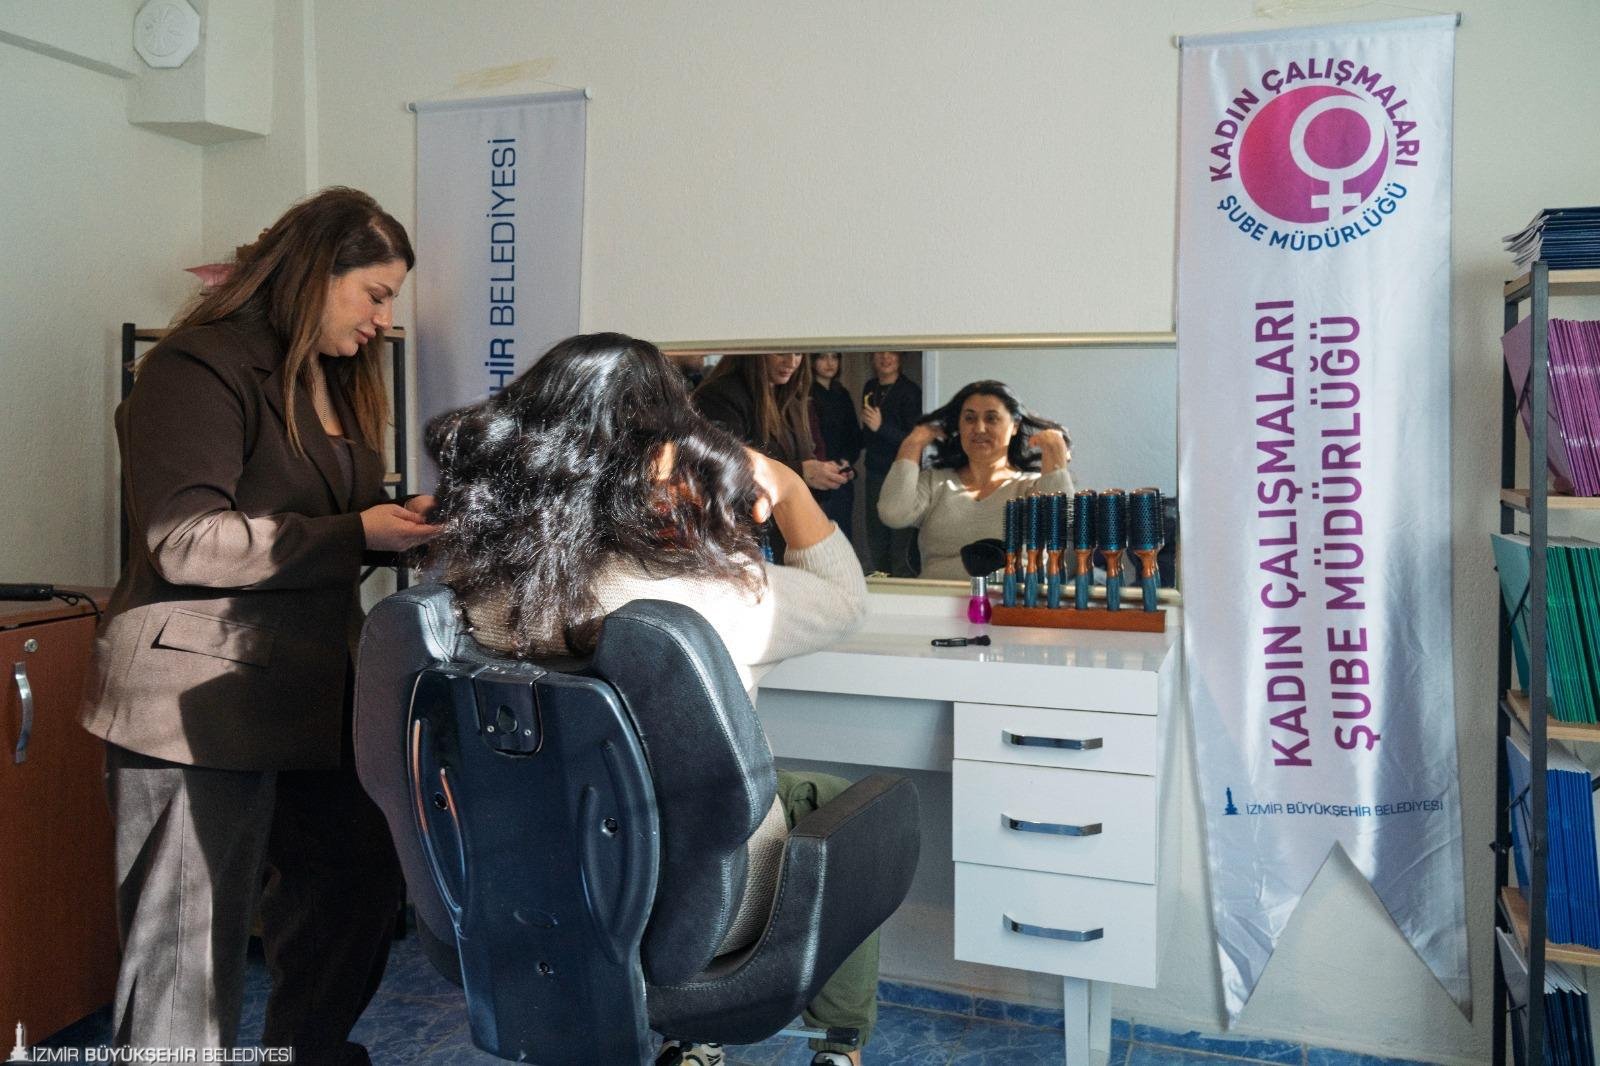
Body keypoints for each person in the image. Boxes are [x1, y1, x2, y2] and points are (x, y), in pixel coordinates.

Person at [423, 334, 877, 1066]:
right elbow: (845, 599)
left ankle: (695, 1040)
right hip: (698, 914)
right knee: (841, 802)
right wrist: (789, 486)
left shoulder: (474, 594)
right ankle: (840, 1045)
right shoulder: (709, 591)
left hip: (522, 895)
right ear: (661, 448)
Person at [79, 187, 439, 1064]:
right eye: (375, 295)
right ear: (316, 273)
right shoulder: (194, 368)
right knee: (183, 958)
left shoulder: (329, 382)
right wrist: (356, 532)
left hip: (307, 694)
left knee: (360, 880)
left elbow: (324, 525)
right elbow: (184, 540)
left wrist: (403, 527)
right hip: (192, 701)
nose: (382, 322)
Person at [877, 379, 1072, 581]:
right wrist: (912, 444)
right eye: (969, 419)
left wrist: (1056, 455)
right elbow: (893, 514)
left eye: (991, 418)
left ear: (1014, 426)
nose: (979, 428)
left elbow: (1062, 526)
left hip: (1013, 599)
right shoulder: (934, 482)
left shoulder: (1031, 487)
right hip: (937, 597)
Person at [693, 354, 850, 561]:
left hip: (784, 535)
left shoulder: (790, 397)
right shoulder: (720, 396)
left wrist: (821, 475)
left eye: (797, 353)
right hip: (744, 539)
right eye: (781, 353)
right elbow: (724, 471)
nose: (791, 362)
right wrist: (802, 472)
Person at [859, 351, 921, 576]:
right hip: (874, 472)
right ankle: (881, 581)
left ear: (900, 357)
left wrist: (881, 427)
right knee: (876, 535)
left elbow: (916, 441)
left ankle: (900, 587)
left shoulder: (910, 391)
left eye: (891, 353)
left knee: (900, 537)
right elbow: (866, 434)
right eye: (880, 353)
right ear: (872, 357)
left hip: (901, 475)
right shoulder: (870, 387)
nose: (885, 358)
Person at [808, 351, 862, 533]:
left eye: (834, 357)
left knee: (843, 531)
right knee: (820, 533)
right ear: (813, 362)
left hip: (842, 472)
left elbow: (854, 434)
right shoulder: (806, 394)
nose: (830, 363)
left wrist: (847, 460)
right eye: (823, 357)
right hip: (816, 472)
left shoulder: (842, 393)